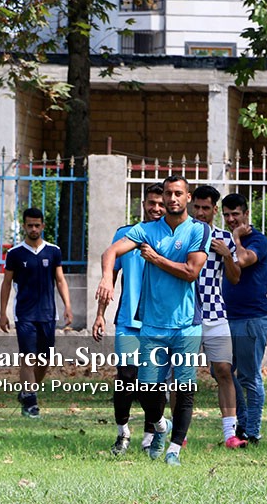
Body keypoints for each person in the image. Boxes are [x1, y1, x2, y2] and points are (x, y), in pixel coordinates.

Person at [96, 175, 210, 467]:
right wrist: (107, 277)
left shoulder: (199, 230)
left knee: (184, 388)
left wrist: (156, 259)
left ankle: (174, 450)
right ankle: (160, 425)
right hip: (152, 325)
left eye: (178, 193)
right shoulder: (145, 230)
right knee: (146, 388)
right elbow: (111, 251)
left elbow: (191, 272)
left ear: (187, 198)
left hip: (186, 324)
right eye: (168, 193)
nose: (172, 199)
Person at [92, 183, 165, 455]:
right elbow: (109, 277)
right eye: (152, 203)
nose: (156, 208)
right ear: (143, 204)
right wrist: (100, 314)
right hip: (128, 322)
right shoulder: (125, 235)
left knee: (152, 384)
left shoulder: (173, 237)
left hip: (160, 323)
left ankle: (152, 434)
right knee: (126, 377)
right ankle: (122, 433)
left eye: (161, 203)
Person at [0, 207, 73, 419]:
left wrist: (67, 306)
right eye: (30, 225)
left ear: (43, 226)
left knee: (44, 360)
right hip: (24, 314)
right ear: (24, 226)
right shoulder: (15, 254)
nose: (33, 229)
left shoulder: (53, 251)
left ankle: (27, 392)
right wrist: (2, 313)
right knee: (28, 358)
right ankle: (31, 404)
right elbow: (6, 283)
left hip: (48, 314)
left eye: (37, 225)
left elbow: (60, 280)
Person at [191, 186, 248, 449]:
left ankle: (229, 434)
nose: (200, 213)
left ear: (215, 210)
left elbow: (235, 278)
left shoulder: (224, 238)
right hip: (186, 316)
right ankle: (180, 432)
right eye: (197, 207)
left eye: (206, 208)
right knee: (182, 374)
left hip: (216, 313)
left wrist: (227, 255)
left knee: (224, 371)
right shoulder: (182, 233)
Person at [221, 193, 267, 445]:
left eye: (235, 214)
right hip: (225, 317)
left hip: (251, 318)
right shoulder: (222, 240)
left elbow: (241, 261)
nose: (231, 219)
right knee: (222, 371)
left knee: (249, 377)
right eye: (227, 215)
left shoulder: (258, 240)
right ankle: (241, 423)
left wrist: (236, 238)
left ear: (246, 214)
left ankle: (253, 432)